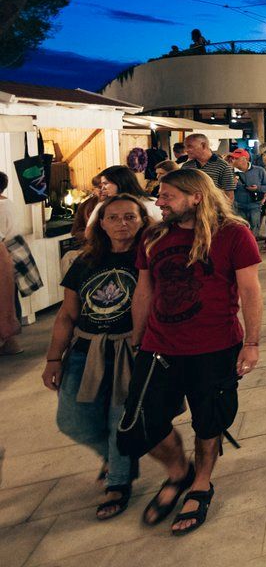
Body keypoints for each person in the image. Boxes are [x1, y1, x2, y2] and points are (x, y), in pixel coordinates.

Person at [120, 169, 263, 535]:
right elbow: (144, 290)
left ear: (195, 196)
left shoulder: (233, 234)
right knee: (141, 423)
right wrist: (138, 340)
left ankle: (200, 482)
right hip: (158, 346)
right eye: (160, 196)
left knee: (209, 421)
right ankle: (178, 471)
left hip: (215, 346)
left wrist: (251, 343)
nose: (159, 203)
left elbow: (250, 291)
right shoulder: (153, 236)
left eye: (167, 196)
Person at [42, 195, 148, 520]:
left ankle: (118, 481)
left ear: (142, 220)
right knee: (72, 420)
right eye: (113, 217)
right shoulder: (85, 262)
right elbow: (67, 314)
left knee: (119, 420)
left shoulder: (148, 259)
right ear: (100, 223)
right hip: (85, 351)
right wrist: (53, 358)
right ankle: (116, 459)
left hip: (129, 350)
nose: (122, 224)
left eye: (130, 217)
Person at [88, 165, 163, 227]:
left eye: (105, 184)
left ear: (120, 183)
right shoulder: (103, 205)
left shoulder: (151, 204)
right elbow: (90, 232)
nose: (103, 188)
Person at [180, 134, 236, 202]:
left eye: (190, 146)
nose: (186, 150)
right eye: (185, 147)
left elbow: (229, 196)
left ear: (203, 145)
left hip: (214, 208)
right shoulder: (186, 167)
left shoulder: (223, 166)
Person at [230, 149, 266, 236]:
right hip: (238, 207)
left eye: (237, 158)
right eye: (233, 158)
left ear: (245, 159)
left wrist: (258, 190)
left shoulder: (259, 170)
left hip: (255, 206)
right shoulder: (229, 172)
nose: (233, 160)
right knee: (240, 229)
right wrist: (231, 184)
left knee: (254, 229)